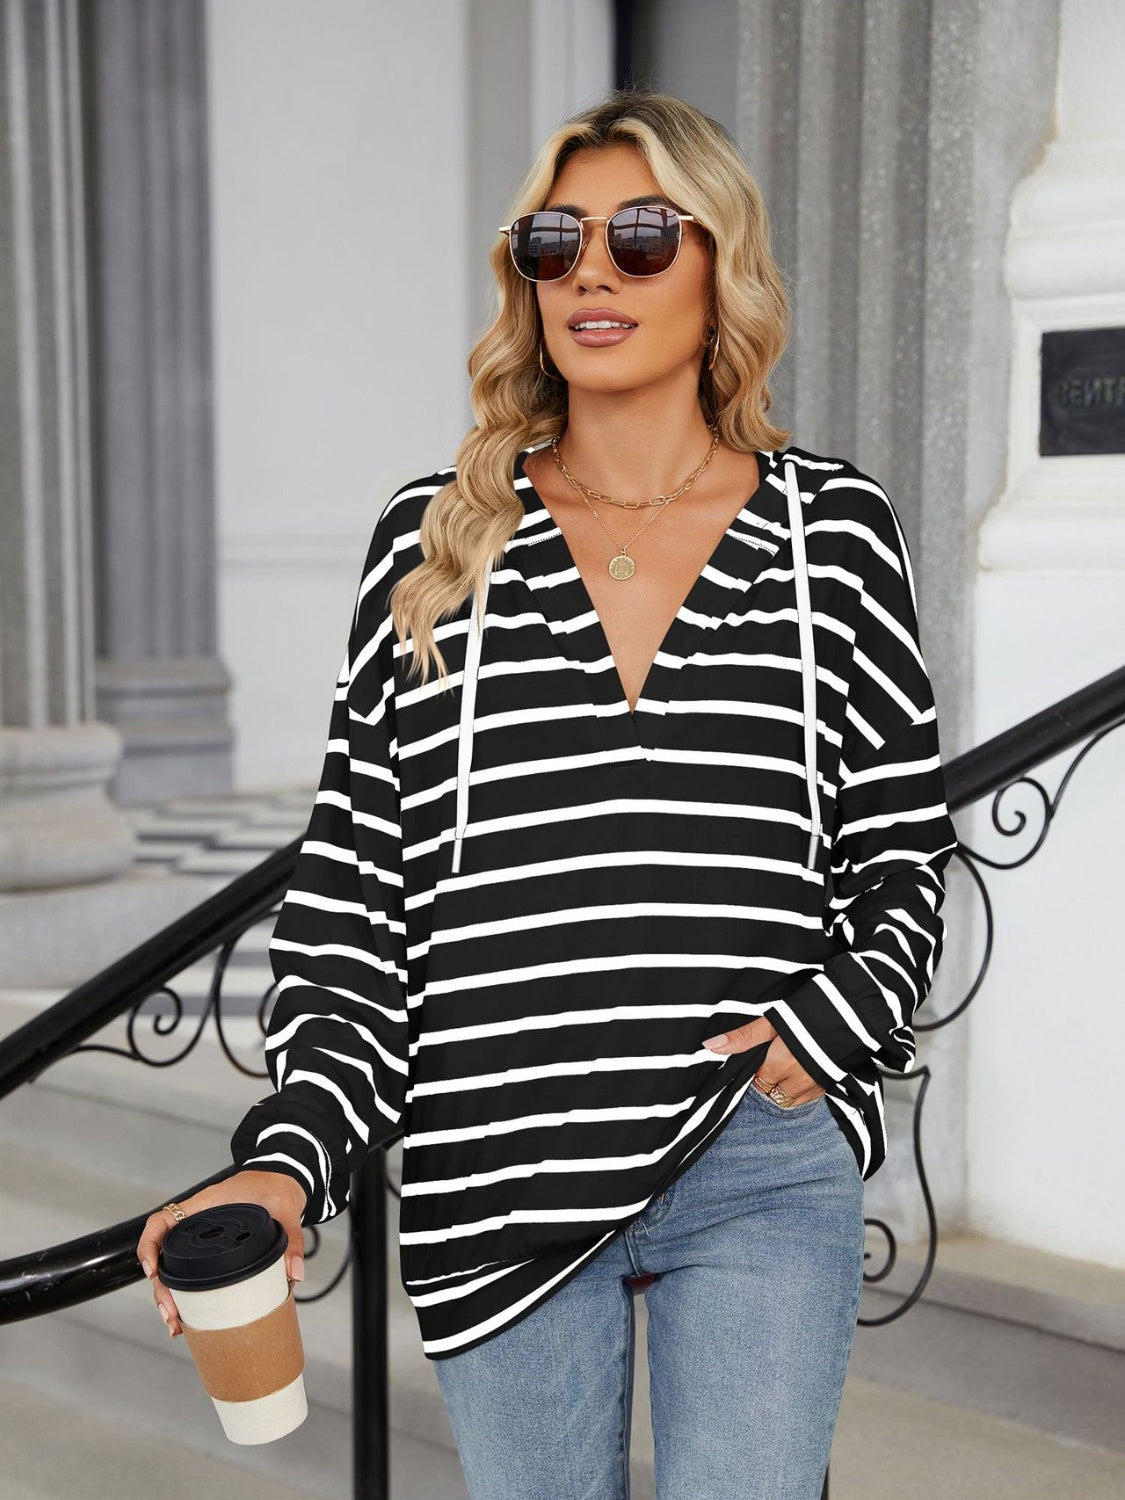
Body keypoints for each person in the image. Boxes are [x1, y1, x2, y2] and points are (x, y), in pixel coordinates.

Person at [136, 88, 958, 1499]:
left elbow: (899, 853)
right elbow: (355, 903)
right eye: (553, 241)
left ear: (720, 264)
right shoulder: (433, 544)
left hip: (751, 1156)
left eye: (641, 236)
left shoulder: (829, 532)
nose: (591, 272)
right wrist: (289, 1154)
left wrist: (830, 1028)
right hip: (494, 1165)